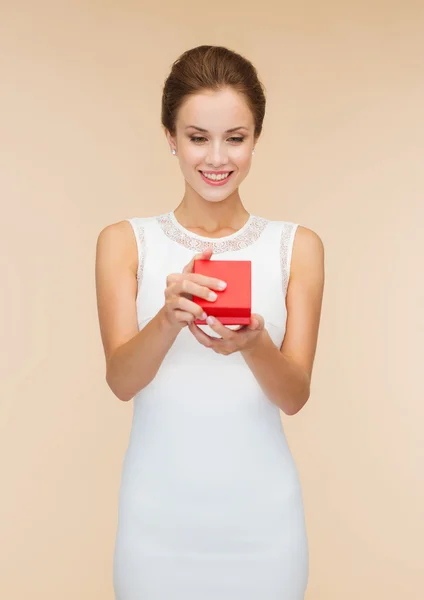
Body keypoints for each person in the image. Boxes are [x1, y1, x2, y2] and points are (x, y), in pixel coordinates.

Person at [95, 44, 325, 600]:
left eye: (235, 138)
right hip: (157, 523)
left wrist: (254, 344)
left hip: (264, 524)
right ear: (170, 138)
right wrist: (167, 320)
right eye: (198, 137)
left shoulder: (297, 247)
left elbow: (294, 396)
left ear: (255, 139)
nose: (216, 157)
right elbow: (122, 381)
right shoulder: (126, 243)